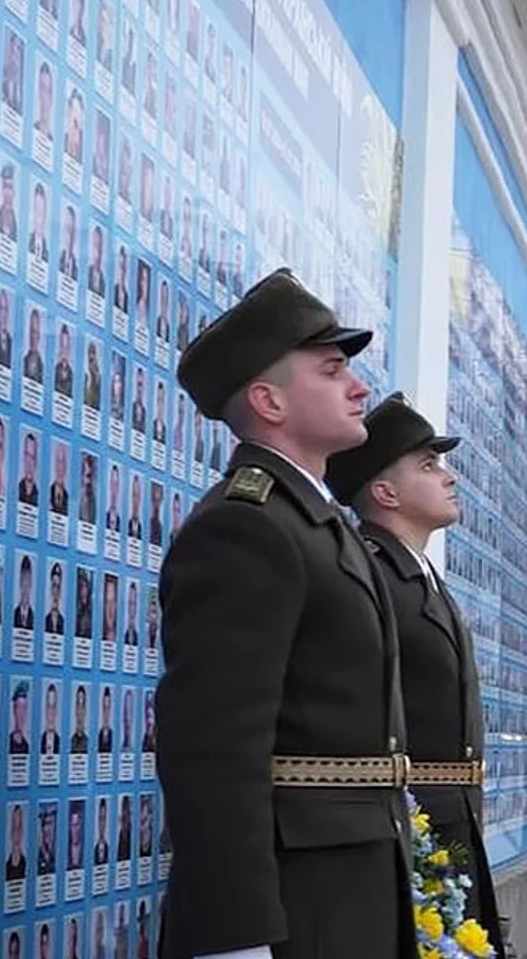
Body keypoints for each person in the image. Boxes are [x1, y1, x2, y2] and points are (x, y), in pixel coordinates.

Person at [155, 268, 414, 959]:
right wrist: (234, 938)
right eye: (332, 370)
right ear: (268, 399)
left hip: (351, 888)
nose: (358, 386)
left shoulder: (320, 528)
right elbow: (212, 751)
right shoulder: (247, 530)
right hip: (295, 909)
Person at [323, 393, 505, 958]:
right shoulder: (374, 577)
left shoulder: (418, 576)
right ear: (385, 491)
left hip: (446, 820)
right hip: (412, 823)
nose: (448, 477)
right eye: (428, 465)